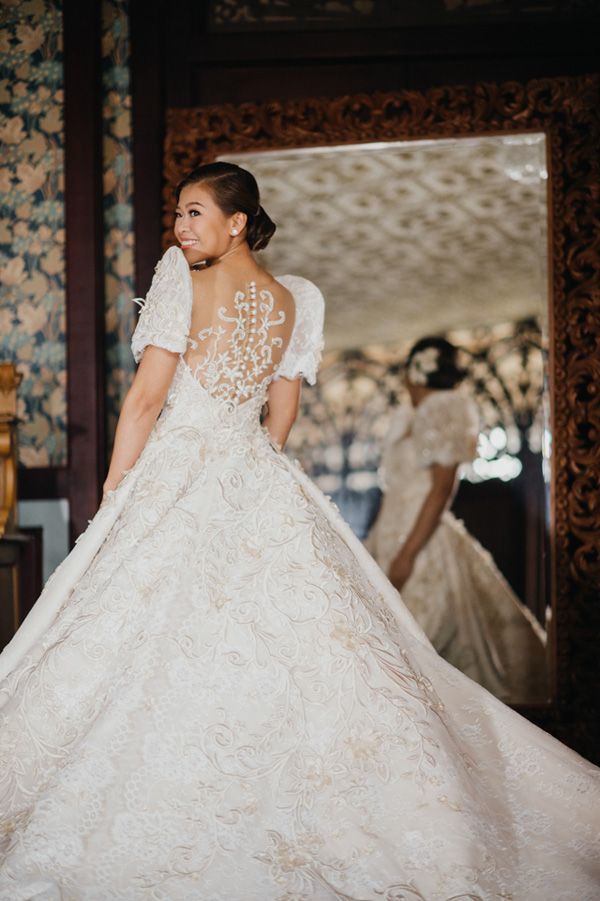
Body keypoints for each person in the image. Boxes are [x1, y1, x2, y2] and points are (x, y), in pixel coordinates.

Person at [0, 163, 598, 900]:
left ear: (236, 222)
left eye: (192, 213)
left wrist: (115, 495)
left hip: (178, 472)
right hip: (255, 473)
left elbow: (147, 400)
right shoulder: (293, 300)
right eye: (178, 217)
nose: (179, 229)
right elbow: (279, 422)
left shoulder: (180, 281)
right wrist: (243, 463)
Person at [366, 336, 548, 703]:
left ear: (413, 373)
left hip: (421, 539)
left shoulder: (445, 407)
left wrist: (407, 554)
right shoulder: (406, 417)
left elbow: (441, 488)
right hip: (386, 533)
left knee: (420, 643)